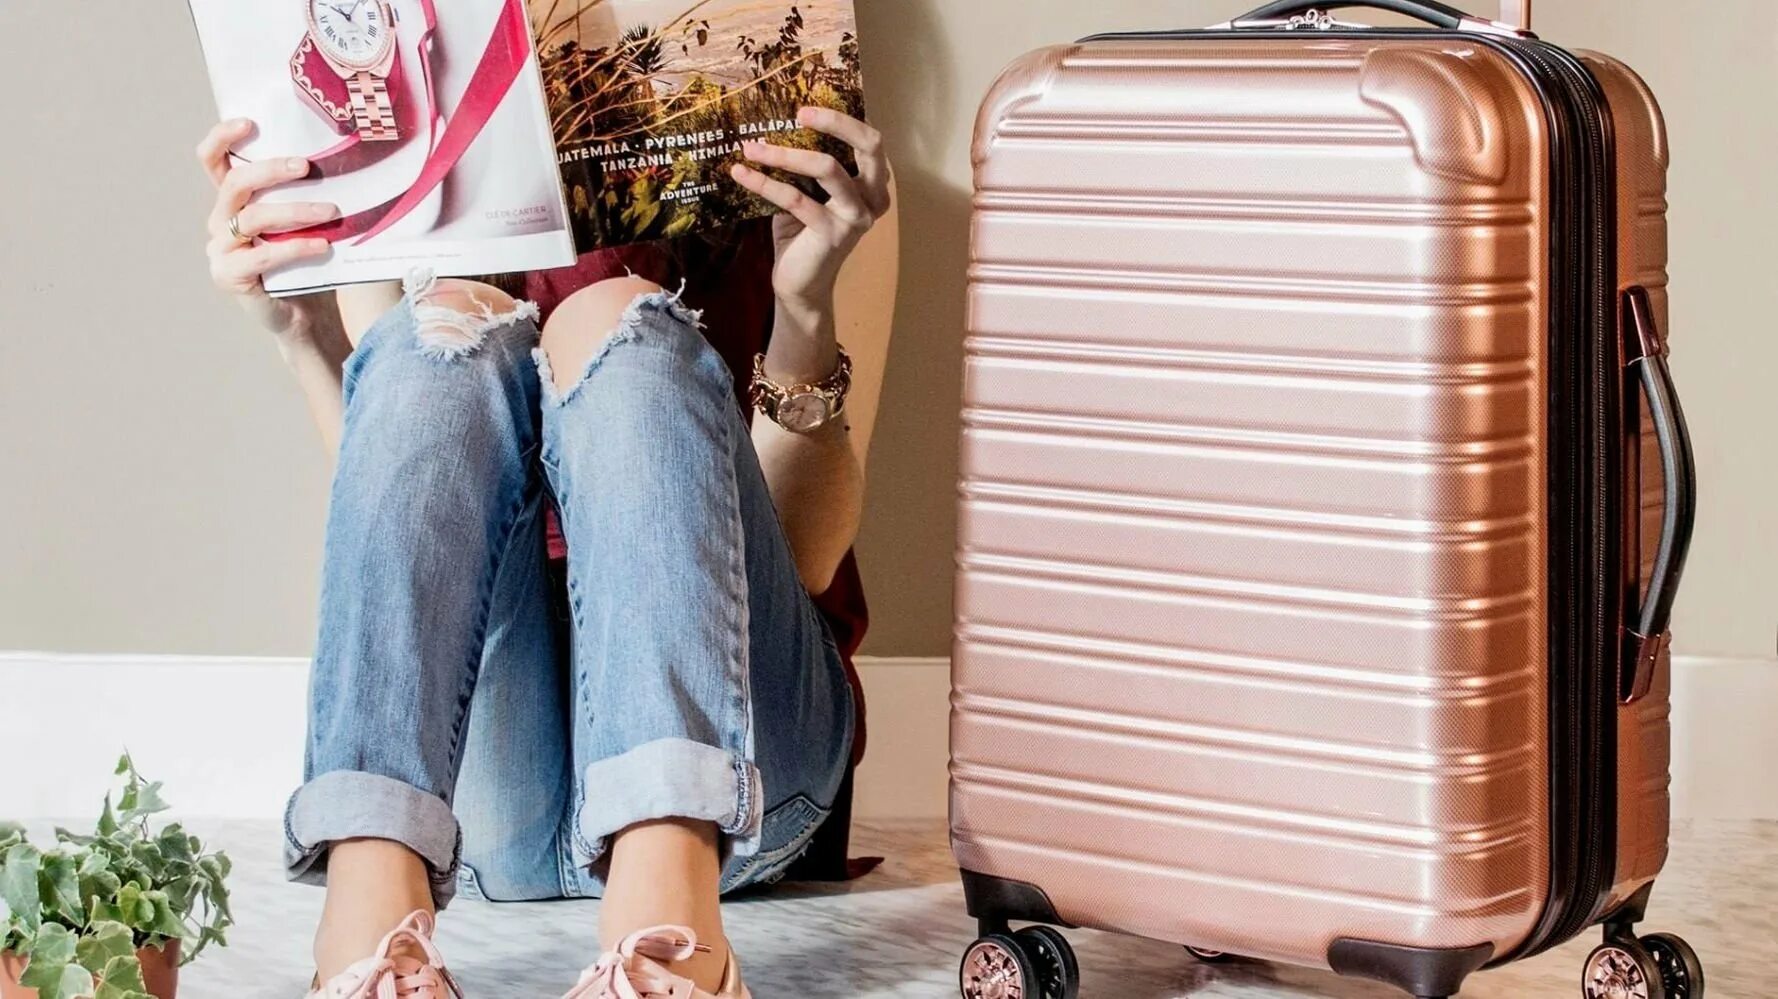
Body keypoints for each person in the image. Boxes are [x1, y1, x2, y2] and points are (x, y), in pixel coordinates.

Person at [194, 103, 896, 998]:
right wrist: (308, 335)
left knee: (617, 318)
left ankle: (667, 917)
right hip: (491, 782)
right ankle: (368, 917)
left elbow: (806, 560)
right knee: (433, 331)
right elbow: (414, 549)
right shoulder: (402, 134)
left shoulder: (828, 159)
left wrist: (803, 308)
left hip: (742, 776)